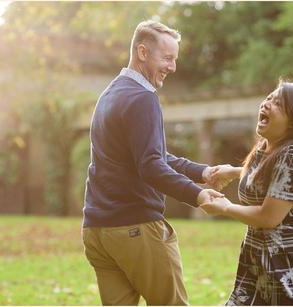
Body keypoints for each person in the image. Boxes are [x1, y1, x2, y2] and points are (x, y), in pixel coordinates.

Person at [82, 20, 228, 306]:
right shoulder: (143, 97)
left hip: (97, 230)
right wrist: (197, 194)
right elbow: (150, 165)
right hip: (134, 228)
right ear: (143, 52)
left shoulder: (110, 94)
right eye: (167, 58)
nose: (172, 67)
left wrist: (204, 173)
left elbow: (149, 156)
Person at [202, 81, 293, 305]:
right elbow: (272, 178)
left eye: (278, 103)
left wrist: (224, 207)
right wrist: (233, 171)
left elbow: (268, 217)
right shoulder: (267, 148)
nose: (267, 104)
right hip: (259, 253)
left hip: (289, 260)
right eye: (269, 98)